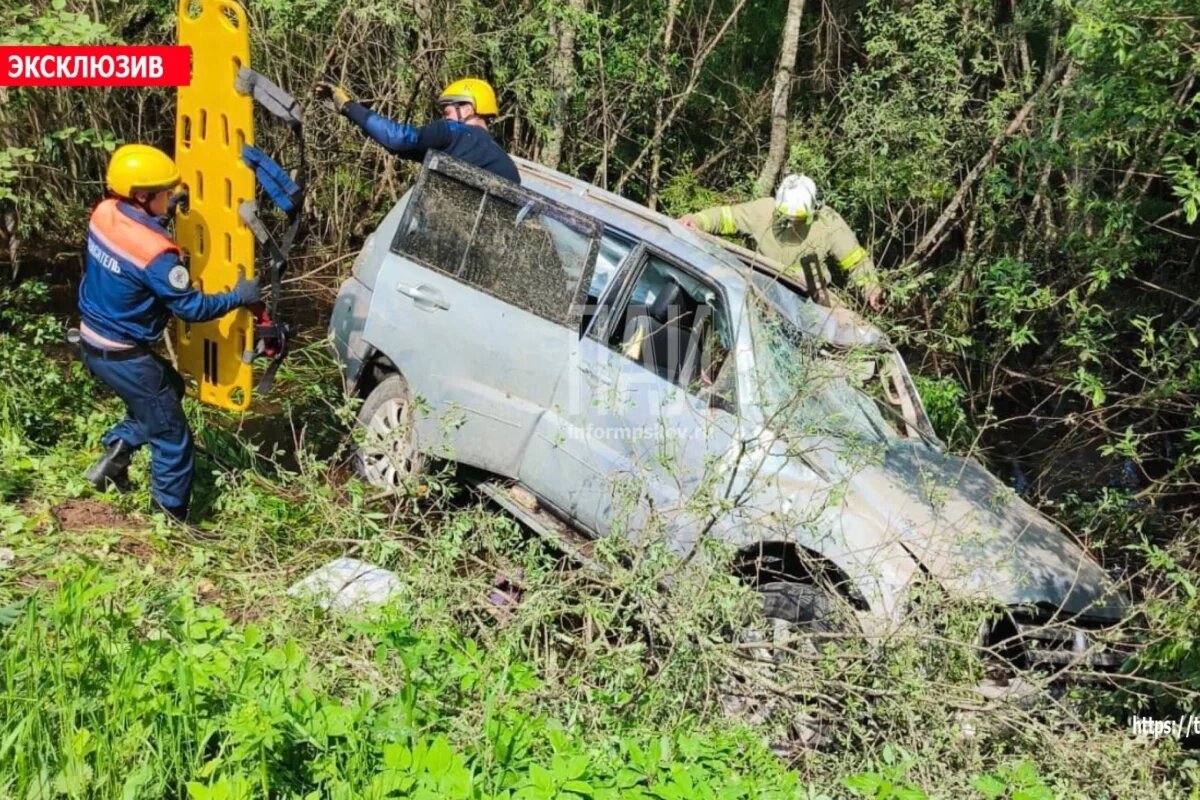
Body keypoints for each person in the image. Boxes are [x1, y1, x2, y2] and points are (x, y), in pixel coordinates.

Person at [79, 144, 261, 521]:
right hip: (125, 355)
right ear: (143, 197)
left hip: (92, 341)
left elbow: (130, 240)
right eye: (165, 192)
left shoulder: (104, 212)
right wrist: (237, 296)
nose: (171, 196)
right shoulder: (158, 255)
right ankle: (172, 520)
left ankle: (116, 454)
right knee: (173, 439)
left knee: (171, 389)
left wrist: (162, 213)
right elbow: (191, 308)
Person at [679, 174, 884, 311]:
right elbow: (727, 217)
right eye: (786, 217)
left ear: (813, 209)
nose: (791, 223)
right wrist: (696, 221)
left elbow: (855, 259)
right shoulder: (763, 212)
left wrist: (871, 288)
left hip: (812, 294)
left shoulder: (828, 222)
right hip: (764, 285)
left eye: (798, 218)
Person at [315, 77, 520, 183]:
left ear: (467, 110)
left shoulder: (451, 132)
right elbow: (400, 148)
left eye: (447, 112)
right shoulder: (505, 163)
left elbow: (397, 138)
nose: (443, 118)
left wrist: (348, 107)